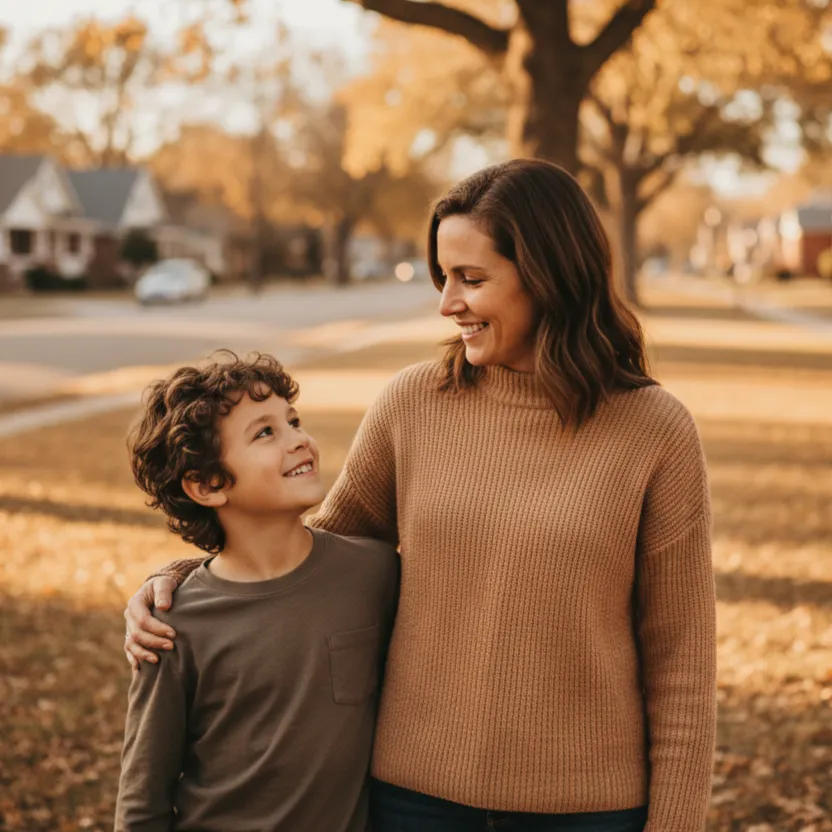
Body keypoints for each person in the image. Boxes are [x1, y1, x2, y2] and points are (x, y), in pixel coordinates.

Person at [125, 159, 717, 832]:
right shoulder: (414, 404)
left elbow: (682, 662)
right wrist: (182, 583)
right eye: (444, 278)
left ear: (549, 275)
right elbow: (305, 554)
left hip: (589, 810)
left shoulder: (653, 429)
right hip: (414, 801)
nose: (447, 304)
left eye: (471, 279)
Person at [114, 351, 399, 832]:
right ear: (206, 485)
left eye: (293, 421)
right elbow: (144, 797)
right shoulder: (171, 624)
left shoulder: (374, 573)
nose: (300, 441)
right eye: (265, 433)